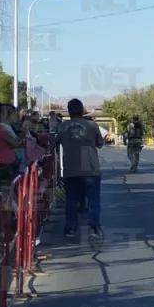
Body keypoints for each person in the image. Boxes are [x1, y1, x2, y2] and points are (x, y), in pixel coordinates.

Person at [60, 98, 104, 240]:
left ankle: (70, 228)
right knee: (93, 198)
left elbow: (54, 141)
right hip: (89, 164)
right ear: (82, 109)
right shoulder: (92, 125)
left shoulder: (62, 127)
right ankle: (93, 227)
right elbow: (100, 143)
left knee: (71, 199)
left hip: (70, 165)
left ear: (69, 110)